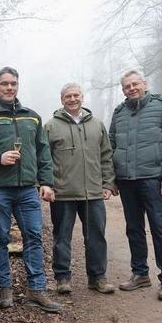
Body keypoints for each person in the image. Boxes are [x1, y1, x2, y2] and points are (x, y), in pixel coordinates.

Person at [0, 66, 60, 313]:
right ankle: (4, 289)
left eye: (13, 83)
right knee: (0, 239)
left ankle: (36, 290)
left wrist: (46, 182)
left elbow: (43, 152)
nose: (9, 88)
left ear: (18, 86)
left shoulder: (32, 117)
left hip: (27, 190)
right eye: (4, 84)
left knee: (34, 237)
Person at [109, 69, 162, 301]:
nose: (131, 89)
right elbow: (111, 146)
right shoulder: (119, 112)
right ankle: (140, 273)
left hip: (154, 179)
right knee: (133, 228)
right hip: (127, 181)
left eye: (134, 84)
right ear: (123, 90)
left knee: (159, 227)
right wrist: (112, 178)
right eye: (126, 86)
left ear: (144, 83)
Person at [44, 83, 115, 295]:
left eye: (76, 95)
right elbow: (44, 159)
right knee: (62, 237)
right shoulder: (51, 126)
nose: (72, 99)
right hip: (63, 192)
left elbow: (106, 156)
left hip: (93, 193)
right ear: (62, 99)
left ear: (82, 97)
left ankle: (97, 278)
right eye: (68, 96)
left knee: (96, 237)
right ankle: (62, 278)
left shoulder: (97, 124)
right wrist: (46, 184)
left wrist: (108, 184)